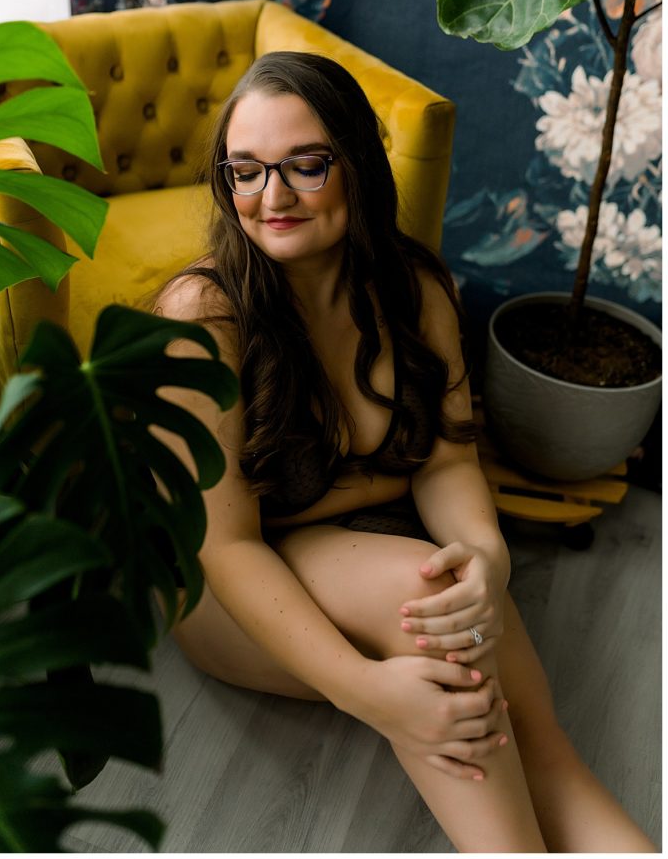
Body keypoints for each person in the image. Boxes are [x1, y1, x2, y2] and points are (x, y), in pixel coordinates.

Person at [154, 51, 656, 853]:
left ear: (356, 162)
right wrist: (370, 693)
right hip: (231, 594)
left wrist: (487, 555)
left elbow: (449, 460)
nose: (270, 197)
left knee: (533, 727)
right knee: (422, 602)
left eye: (305, 166)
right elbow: (226, 544)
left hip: (366, 548)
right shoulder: (204, 317)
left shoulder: (413, 286)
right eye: (244, 171)